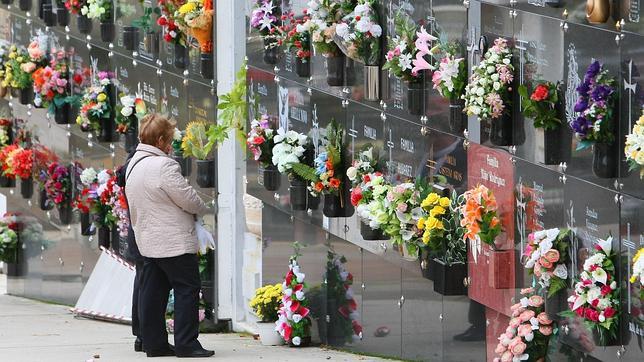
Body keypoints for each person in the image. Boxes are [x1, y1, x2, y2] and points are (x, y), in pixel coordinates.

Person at [125, 113, 214, 358]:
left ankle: (154, 344)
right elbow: (187, 198)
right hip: (173, 242)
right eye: (170, 140)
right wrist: (204, 207)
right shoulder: (163, 165)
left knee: (153, 292)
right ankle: (187, 344)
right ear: (161, 139)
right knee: (187, 288)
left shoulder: (134, 163)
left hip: (147, 240)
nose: (171, 145)